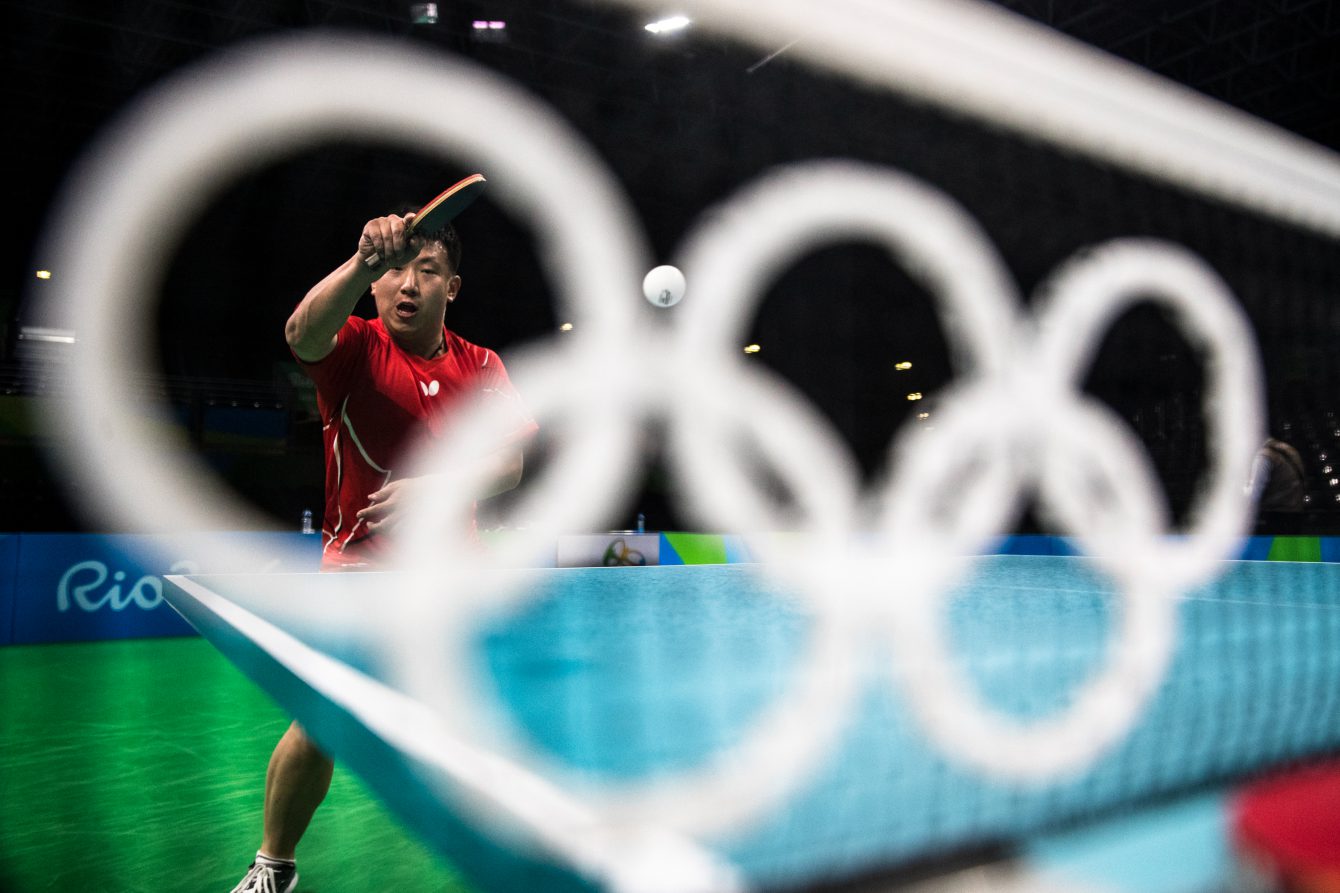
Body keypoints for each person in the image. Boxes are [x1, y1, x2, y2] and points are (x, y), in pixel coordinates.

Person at [230, 206, 535, 893]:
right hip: (360, 567)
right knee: (319, 719)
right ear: (373, 284)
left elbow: (509, 465)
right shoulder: (356, 350)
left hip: (455, 575)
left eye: (427, 271)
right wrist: (361, 260)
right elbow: (300, 332)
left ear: (451, 287)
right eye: (395, 269)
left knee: (491, 718)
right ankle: (274, 863)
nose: (408, 283)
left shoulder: (482, 364)